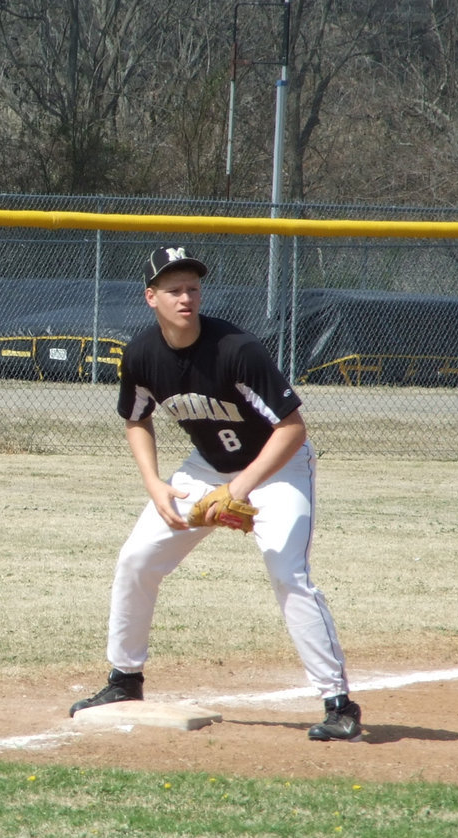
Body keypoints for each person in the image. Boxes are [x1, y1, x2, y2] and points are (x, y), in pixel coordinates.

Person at [69, 245, 361, 742]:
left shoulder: (236, 349)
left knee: (286, 570)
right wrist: (155, 484)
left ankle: (339, 703)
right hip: (205, 470)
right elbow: (136, 420)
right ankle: (124, 680)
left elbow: (292, 428)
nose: (185, 297)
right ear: (151, 297)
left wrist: (240, 489)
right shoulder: (141, 353)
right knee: (137, 558)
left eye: (193, 288)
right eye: (174, 289)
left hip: (279, 468)